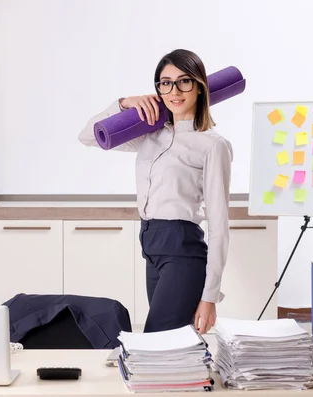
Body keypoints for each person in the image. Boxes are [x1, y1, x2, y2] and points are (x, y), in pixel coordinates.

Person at [77, 49, 233, 335]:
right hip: (150, 245)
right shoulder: (150, 135)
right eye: (165, 83)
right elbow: (88, 136)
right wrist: (123, 103)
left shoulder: (212, 145)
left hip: (182, 250)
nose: (174, 91)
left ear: (199, 87)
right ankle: (192, 379)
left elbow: (220, 225)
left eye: (184, 81)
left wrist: (210, 296)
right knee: (170, 344)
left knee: (157, 342)